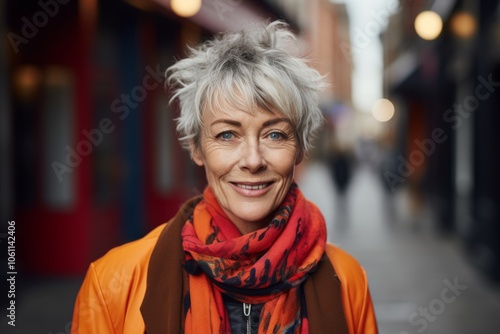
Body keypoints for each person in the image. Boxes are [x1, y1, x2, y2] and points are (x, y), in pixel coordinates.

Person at [71, 21, 378, 334]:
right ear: (196, 148)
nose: (253, 160)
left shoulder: (348, 280)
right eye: (227, 134)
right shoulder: (113, 282)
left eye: (274, 134)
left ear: (300, 149)